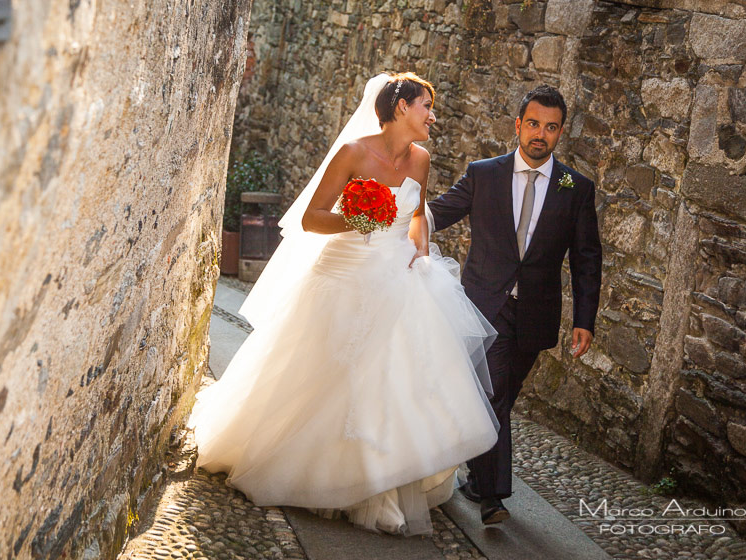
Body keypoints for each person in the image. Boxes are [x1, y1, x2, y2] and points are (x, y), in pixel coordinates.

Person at [189, 73, 500, 536]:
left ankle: (383, 486)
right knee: (331, 374)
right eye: (426, 106)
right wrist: (354, 220)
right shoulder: (354, 152)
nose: (433, 116)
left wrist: (420, 249)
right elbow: (311, 219)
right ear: (400, 109)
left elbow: (417, 217)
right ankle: (320, 474)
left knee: (395, 377)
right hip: (343, 274)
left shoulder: (422, 159)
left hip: (399, 277)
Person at [427, 84, 602, 525]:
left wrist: (585, 320)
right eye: (533, 124)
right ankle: (494, 499)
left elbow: (586, 259)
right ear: (518, 125)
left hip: (535, 315)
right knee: (493, 392)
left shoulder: (576, 188)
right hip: (483, 305)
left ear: (560, 133)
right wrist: (382, 213)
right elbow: (439, 212)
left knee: (501, 398)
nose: (540, 134)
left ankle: (475, 478)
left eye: (551, 127)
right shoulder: (484, 173)